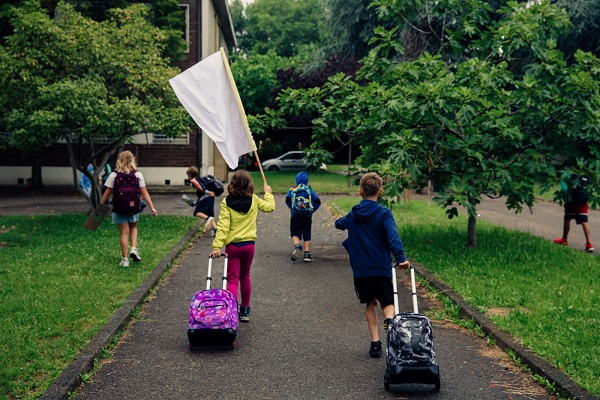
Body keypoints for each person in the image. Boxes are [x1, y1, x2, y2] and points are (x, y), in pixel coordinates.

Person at [335, 172, 410, 358]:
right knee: (387, 302)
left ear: (361, 192)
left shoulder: (354, 214)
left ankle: (375, 343)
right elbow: (393, 237)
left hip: (361, 270)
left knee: (370, 303)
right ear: (381, 191)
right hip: (381, 267)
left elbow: (339, 224)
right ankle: (390, 322)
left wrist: (346, 222)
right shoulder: (384, 213)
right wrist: (400, 258)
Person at [211, 170, 275, 322]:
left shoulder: (227, 202)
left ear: (233, 184)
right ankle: (245, 310)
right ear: (249, 184)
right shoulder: (253, 199)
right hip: (248, 246)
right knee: (245, 276)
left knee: (232, 280)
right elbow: (269, 207)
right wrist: (268, 193)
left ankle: (231, 311)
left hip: (233, 247)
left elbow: (223, 226)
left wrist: (217, 246)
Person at [100, 150, 159, 267]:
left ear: (119, 161)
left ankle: (125, 260)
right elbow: (144, 192)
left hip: (119, 207)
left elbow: (107, 193)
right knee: (133, 227)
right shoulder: (137, 175)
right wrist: (152, 207)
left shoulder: (114, 175)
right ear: (132, 160)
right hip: (133, 206)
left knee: (123, 233)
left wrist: (100, 206)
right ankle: (133, 248)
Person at [553, 169, 594, 253]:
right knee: (584, 221)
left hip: (571, 201)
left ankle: (564, 239)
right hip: (582, 202)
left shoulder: (565, 173)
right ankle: (589, 244)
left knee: (567, 219)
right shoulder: (583, 173)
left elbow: (564, 189)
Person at [285, 171, 321, 262]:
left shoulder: (292, 190)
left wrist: (292, 208)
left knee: (294, 232)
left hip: (295, 215)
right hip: (307, 216)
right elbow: (317, 201)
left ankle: (297, 246)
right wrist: (312, 210)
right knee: (306, 233)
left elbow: (287, 200)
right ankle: (307, 253)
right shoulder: (309, 190)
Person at [184, 166, 218, 235]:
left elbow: (200, 187)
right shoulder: (198, 179)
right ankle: (216, 230)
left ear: (189, 175)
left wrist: (206, 192)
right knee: (211, 214)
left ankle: (208, 218)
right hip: (210, 197)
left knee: (197, 212)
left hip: (206, 197)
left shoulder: (193, 180)